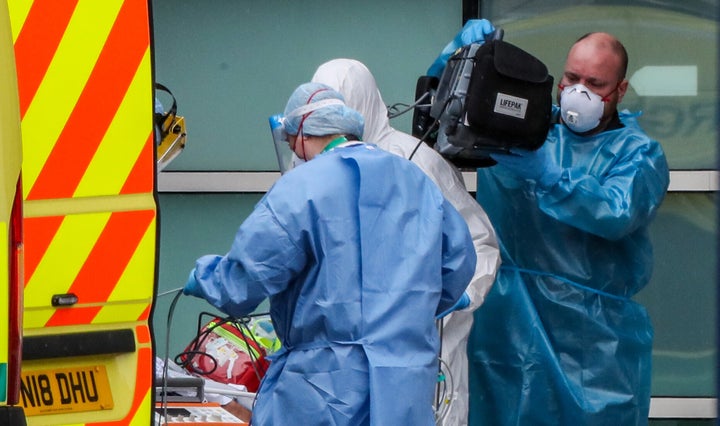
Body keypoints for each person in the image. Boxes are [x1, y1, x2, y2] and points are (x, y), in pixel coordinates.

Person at [182, 82, 478, 426]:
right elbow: (459, 261)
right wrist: (411, 311)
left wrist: (206, 278)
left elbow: (244, 282)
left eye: (291, 141)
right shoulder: (417, 180)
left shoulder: (300, 188)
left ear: (302, 134)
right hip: (406, 383)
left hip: (324, 388)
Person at [429, 28, 670, 424]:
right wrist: (455, 60)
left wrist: (550, 177)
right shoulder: (517, 127)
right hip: (506, 327)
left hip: (592, 343)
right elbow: (444, 115)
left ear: (620, 90)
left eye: (596, 83)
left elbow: (616, 212)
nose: (579, 91)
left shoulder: (638, 154)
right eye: (572, 78)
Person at [311, 58, 501, 426]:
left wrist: (461, 296)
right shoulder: (315, 167)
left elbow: (480, 242)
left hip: (423, 347)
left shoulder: (416, 163)